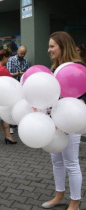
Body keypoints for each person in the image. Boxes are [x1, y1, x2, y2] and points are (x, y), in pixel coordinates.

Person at [41, 31, 86, 210]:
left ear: (63, 46)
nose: (49, 50)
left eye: (52, 46)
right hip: (54, 121)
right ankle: (59, 195)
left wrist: (74, 107)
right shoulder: (55, 68)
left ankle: (74, 201)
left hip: (70, 121)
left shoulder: (78, 67)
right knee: (56, 160)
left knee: (71, 162)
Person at [6, 45, 30, 134]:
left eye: (24, 54)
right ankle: (11, 125)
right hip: (13, 86)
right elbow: (9, 73)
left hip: (22, 86)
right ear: (17, 52)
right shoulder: (11, 60)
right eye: (21, 53)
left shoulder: (26, 61)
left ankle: (19, 123)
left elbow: (27, 73)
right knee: (12, 106)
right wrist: (19, 73)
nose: (22, 55)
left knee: (21, 106)